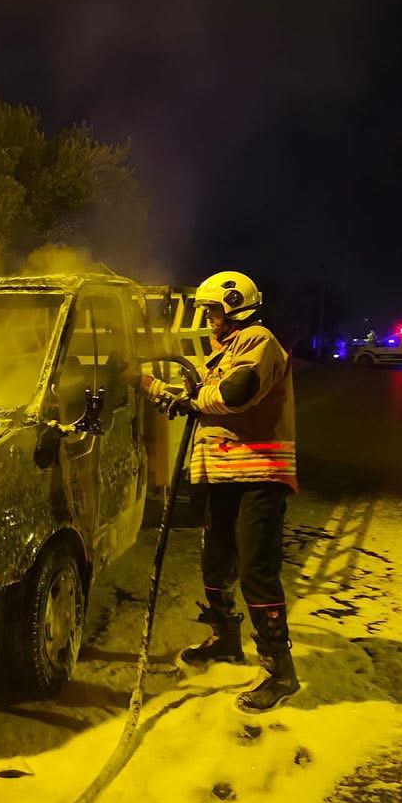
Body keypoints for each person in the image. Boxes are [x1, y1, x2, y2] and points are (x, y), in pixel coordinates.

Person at [141, 271, 300, 712]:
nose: (209, 320)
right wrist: (150, 386)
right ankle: (225, 639)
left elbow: (234, 393)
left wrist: (190, 400)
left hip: (259, 473)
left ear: (234, 306)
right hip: (223, 472)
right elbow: (201, 395)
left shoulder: (258, 341)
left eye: (213, 311)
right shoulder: (225, 351)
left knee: (256, 570)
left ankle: (280, 671)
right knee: (216, 562)